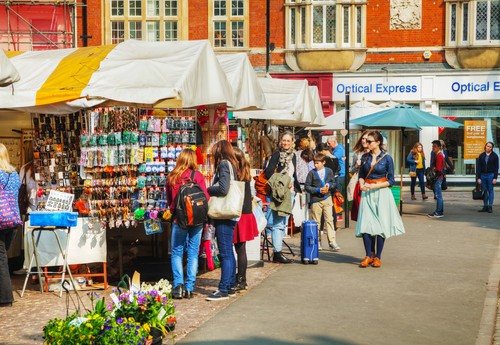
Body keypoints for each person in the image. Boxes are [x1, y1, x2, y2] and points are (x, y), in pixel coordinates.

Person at [356, 131, 405, 268]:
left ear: (378, 142)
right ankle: (368, 255)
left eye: (369, 141)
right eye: (366, 140)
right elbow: (361, 174)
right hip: (367, 193)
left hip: (382, 193)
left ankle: (378, 257)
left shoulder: (387, 158)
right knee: (366, 224)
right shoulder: (365, 157)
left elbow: (391, 181)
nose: (366, 142)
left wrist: (375, 186)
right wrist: (361, 184)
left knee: (381, 225)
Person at [166, 149, 210, 299]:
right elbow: (206, 198)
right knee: (193, 253)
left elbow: (170, 202)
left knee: (177, 252)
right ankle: (190, 287)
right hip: (197, 220)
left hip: (179, 220)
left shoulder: (172, 177)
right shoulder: (197, 176)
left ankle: (178, 286)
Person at [206, 140, 240, 301]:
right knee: (229, 251)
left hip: (224, 213)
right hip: (230, 214)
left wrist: (209, 189)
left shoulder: (224, 165)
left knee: (225, 252)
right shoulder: (233, 164)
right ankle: (231, 285)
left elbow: (223, 188)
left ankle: (224, 288)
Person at [264, 131, 301, 264]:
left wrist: (296, 189)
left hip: (290, 193)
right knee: (278, 224)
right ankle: (277, 252)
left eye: (288, 140)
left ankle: (277, 251)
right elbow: (268, 172)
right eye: (283, 140)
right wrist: (282, 182)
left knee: (283, 223)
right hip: (279, 193)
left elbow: (294, 174)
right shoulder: (276, 154)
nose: (285, 143)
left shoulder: (294, 156)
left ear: (292, 142)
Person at [232, 148, 259, 291]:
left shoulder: (236, 173)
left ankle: (241, 279)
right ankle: (241, 278)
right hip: (246, 212)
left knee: (239, 248)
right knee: (241, 249)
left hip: (239, 213)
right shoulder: (245, 171)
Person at [304, 153, 340, 251]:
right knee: (316, 222)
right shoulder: (311, 173)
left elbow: (333, 182)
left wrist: (328, 186)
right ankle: (317, 242)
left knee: (329, 220)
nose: (316, 165)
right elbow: (307, 186)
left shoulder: (329, 171)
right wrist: (318, 190)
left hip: (327, 198)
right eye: (315, 163)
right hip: (316, 200)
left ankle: (332, 242)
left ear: (323, 162)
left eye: (318, 163)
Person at [0, 143, 21, 307]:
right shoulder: (14, 174)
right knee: (2, 256)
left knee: (1, 259)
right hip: (12, 221)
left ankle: (6, 297)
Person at [350, 132, 370, 222]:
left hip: (372, 184)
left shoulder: (377, 154)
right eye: (362, 138)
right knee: (360, 208)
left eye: (366, 139)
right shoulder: (357, 153)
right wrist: (357, 166)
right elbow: (351, 170)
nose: (364, 140)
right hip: (360, 184)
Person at [476, 142, 498, 213]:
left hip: (491, 175)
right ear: (485, 146)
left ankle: (490, 206)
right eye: (487, 146)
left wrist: (495, 178)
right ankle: (485, 206)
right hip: (482, 175)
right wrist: (478, 177)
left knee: (490, 190)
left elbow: (496, 167)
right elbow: (478, 167)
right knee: (484, 191)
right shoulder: (481, 155)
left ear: (492, 148)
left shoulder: (495, 156)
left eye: (490, 147)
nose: (488, 148)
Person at [428, 140, 446, 218]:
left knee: (438, 195)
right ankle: (439, 211)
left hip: (438, 178)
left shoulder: (439, 156)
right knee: (439, 195)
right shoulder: (438, 155)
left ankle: (439, 212)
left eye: (434, 146)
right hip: (439, 177)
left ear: (439, 147)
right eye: (432, 146)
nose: (433, 148)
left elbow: (439, 169)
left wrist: (434, 169)